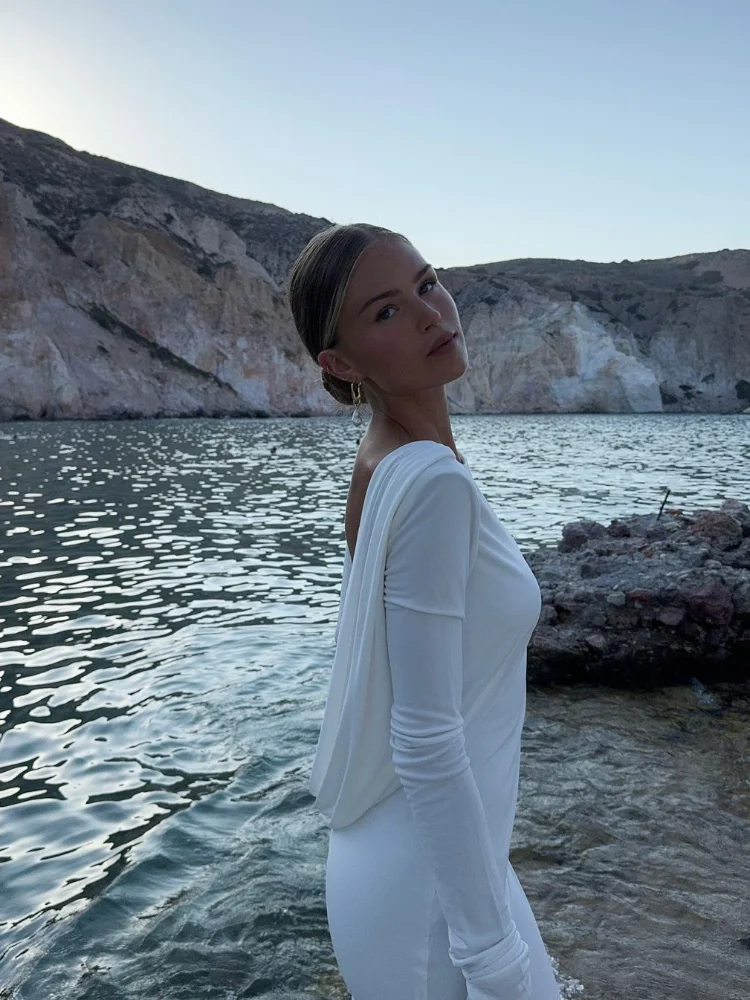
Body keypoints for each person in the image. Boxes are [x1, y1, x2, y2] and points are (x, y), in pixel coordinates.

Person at [287, 223, 560, 999]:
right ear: (339, 365)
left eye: (427, 282)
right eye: (385, 312)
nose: (432, 313)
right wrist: (492, 957)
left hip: (428, 857)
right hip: (429, 894)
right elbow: (426, 733)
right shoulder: (430, 481)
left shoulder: (384, 462)